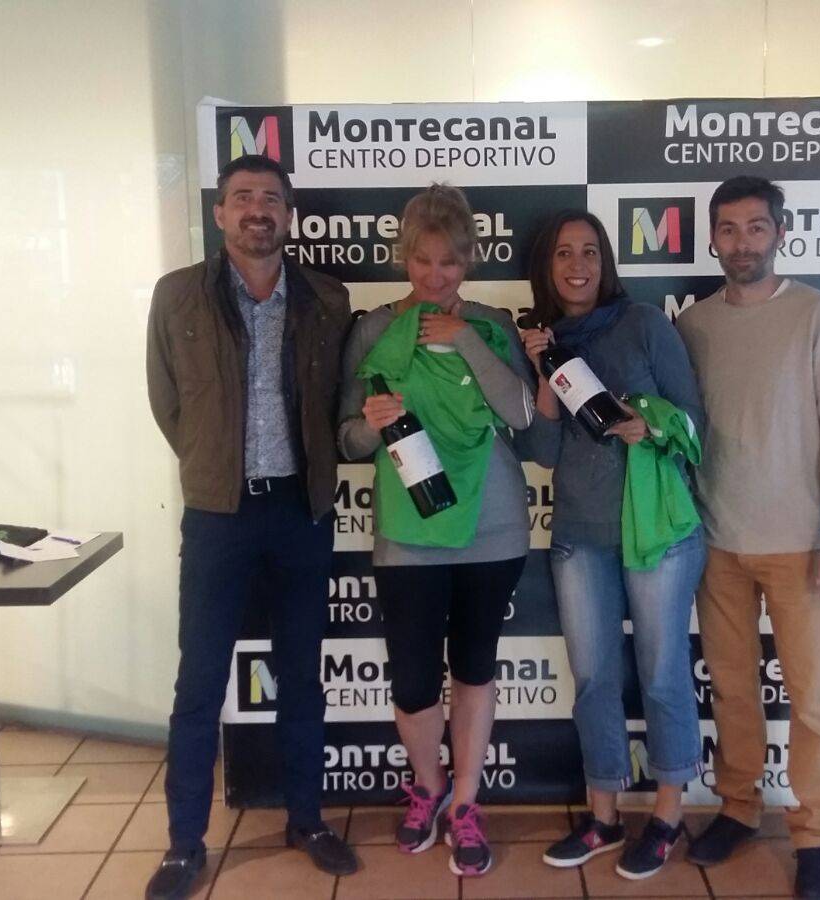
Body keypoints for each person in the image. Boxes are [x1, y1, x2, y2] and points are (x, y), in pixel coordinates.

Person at [144, 154, 358, 899]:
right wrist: (212, 465)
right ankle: (184, 844)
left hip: (301, 511)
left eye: (271, 198)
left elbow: (338, 401)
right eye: (242, 197)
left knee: (302, 674)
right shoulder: (177, 296)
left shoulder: (327, 298)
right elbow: (168, 402)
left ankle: (307, 820)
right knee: (200, 681)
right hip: (218, 514)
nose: (257, 209)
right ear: (220, 213)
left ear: (288, 215)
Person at [336, 183, 535, 878]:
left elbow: (522, 414)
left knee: (474, 667)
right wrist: (373, 425)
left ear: (469, 259)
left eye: (449, 261)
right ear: (404, 258)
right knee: (414, 677)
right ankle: (428, 786)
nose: (435, 275)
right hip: (409, 531)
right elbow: (346, 439)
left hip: (493, 527)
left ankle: (467, 803)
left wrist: (464, 341)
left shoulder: (490, 323)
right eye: (422, 260)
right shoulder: (373, 330)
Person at [675, 176, 820, 900]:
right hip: (716, 541)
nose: (742, 242)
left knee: (811, 699)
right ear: (712, 239)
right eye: (728, 229)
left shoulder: (817, 313)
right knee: (732, 688)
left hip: (800, 547)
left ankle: (815, 837)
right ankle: (738, 807)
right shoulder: (694, 325)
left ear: (781, 232)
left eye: (756, 227)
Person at [515, 211, 708, 881]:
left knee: (660, 674)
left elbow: (693, 421)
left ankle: (668, 816)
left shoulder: (645, 323)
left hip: (657, 533)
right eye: (564, 253)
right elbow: (541, 452)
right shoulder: (542, 341)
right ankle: (603, 817)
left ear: (606, 262)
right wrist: (543, 370)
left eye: (590, 251)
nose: (578, 265)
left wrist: (644, 427)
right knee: (594, 679)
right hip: (580, 535)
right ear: (547, 267)